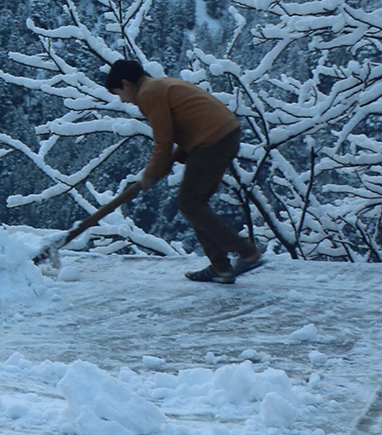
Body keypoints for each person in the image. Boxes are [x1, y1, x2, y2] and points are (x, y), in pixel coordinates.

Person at [103, 59, 265, 284]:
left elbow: (163, 138)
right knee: (195, 205)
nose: (122, 99)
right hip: (224, 135)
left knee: (190, 203)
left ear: (126, 83)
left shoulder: (148, 93)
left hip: (213, 141)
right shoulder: (160, 85)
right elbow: (187, 127)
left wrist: (152, 171)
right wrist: (169, 161)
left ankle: (246, 253)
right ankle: (221, 267)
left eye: (119, 92)